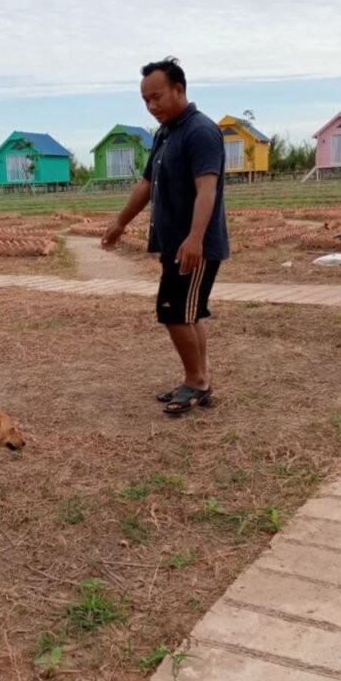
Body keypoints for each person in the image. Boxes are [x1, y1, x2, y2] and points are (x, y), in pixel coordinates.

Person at [101, 57, 229, 415]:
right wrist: (121, 222)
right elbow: (147, 184)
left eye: (157, 97)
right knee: (189, 313)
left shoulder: (200, 131)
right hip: (175, 242)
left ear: (179, 89)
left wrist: (195, 238)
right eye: (146, 101)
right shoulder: (165, 133)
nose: (152, 106)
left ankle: (197, 381)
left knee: (172, 313)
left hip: (194, 245)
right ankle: (197, 379)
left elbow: (208, 190)